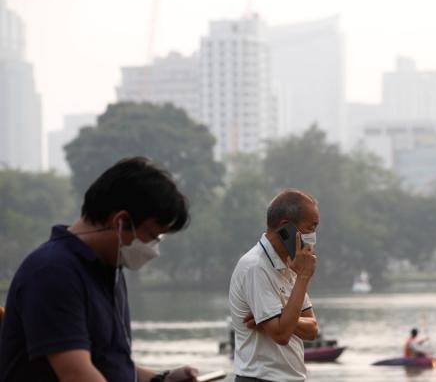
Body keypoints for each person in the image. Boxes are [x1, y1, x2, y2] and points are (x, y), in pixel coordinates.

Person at [0, 157, 199, 382]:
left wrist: (162, 379)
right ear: (121, 221)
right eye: (152, 236)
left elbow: (110, 363)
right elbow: (76, 374)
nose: (154, 248)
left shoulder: (109, 268)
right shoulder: (52, 272)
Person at [229, 188, 319, 382]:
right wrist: (303, 277)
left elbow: (312, 329)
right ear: (286, 227)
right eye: (310, 228)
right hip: (260, 378)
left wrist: (281, 317)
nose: (313, 236)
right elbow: (281, 334)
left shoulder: (290, 265)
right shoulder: (255, 267)